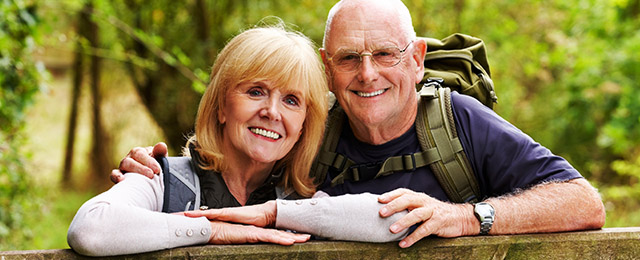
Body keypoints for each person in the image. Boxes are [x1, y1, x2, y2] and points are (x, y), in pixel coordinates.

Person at [115, 0, 606, 249]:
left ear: (416, 60)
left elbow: (583, 201)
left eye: (385, 54)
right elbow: (239, 161)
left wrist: (468, 217)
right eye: (350, 58)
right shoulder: (311, 133)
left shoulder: (457, 122)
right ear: (329, 69)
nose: (367, 73)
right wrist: (156, 178)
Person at [68, 25, 386, 256]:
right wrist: (212, 230)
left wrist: (275, 215)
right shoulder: (161, 179)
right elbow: (90, 230)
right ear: (221, 106)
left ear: (303, 126)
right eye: (256, 92)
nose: (272, 112)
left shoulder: (299, 201)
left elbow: (396, 220)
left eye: (291, 100)